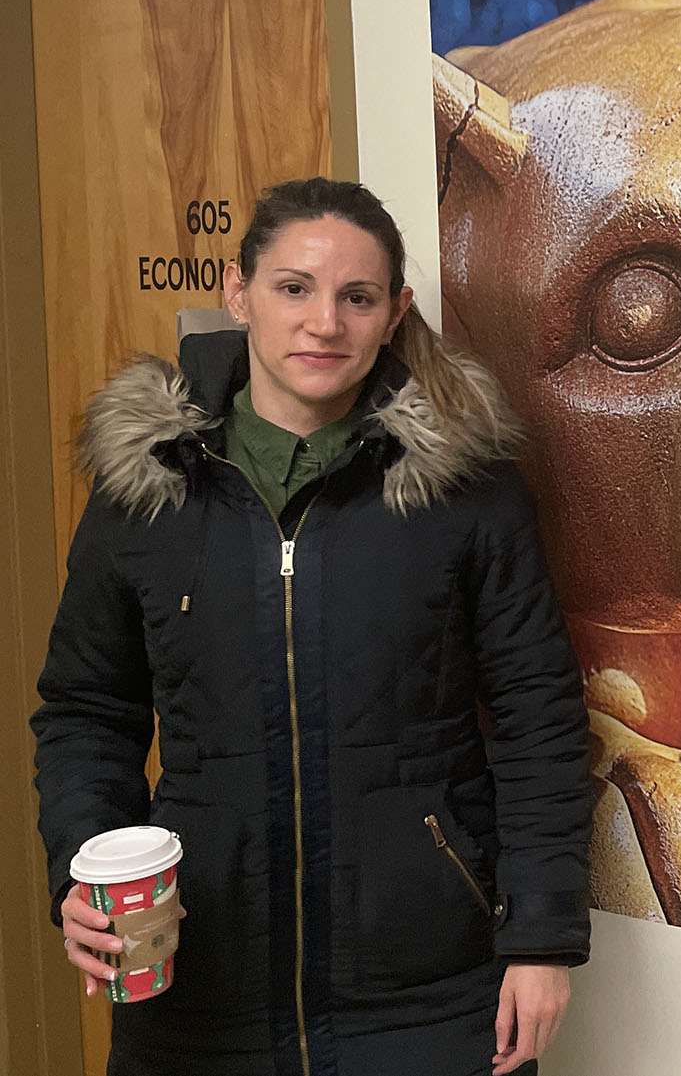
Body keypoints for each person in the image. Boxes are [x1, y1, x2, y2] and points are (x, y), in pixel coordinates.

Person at [32, 178, 592, 1076]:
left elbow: (540, 719)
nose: (323, 322)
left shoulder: (469, 490)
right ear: (238, 290)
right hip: (198, 994)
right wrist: (80, 870)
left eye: (356, 296)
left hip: (434, 999)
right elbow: (84, 711)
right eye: (293, 287)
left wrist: (542, 938)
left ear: (395, 311)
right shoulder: (145, 489)